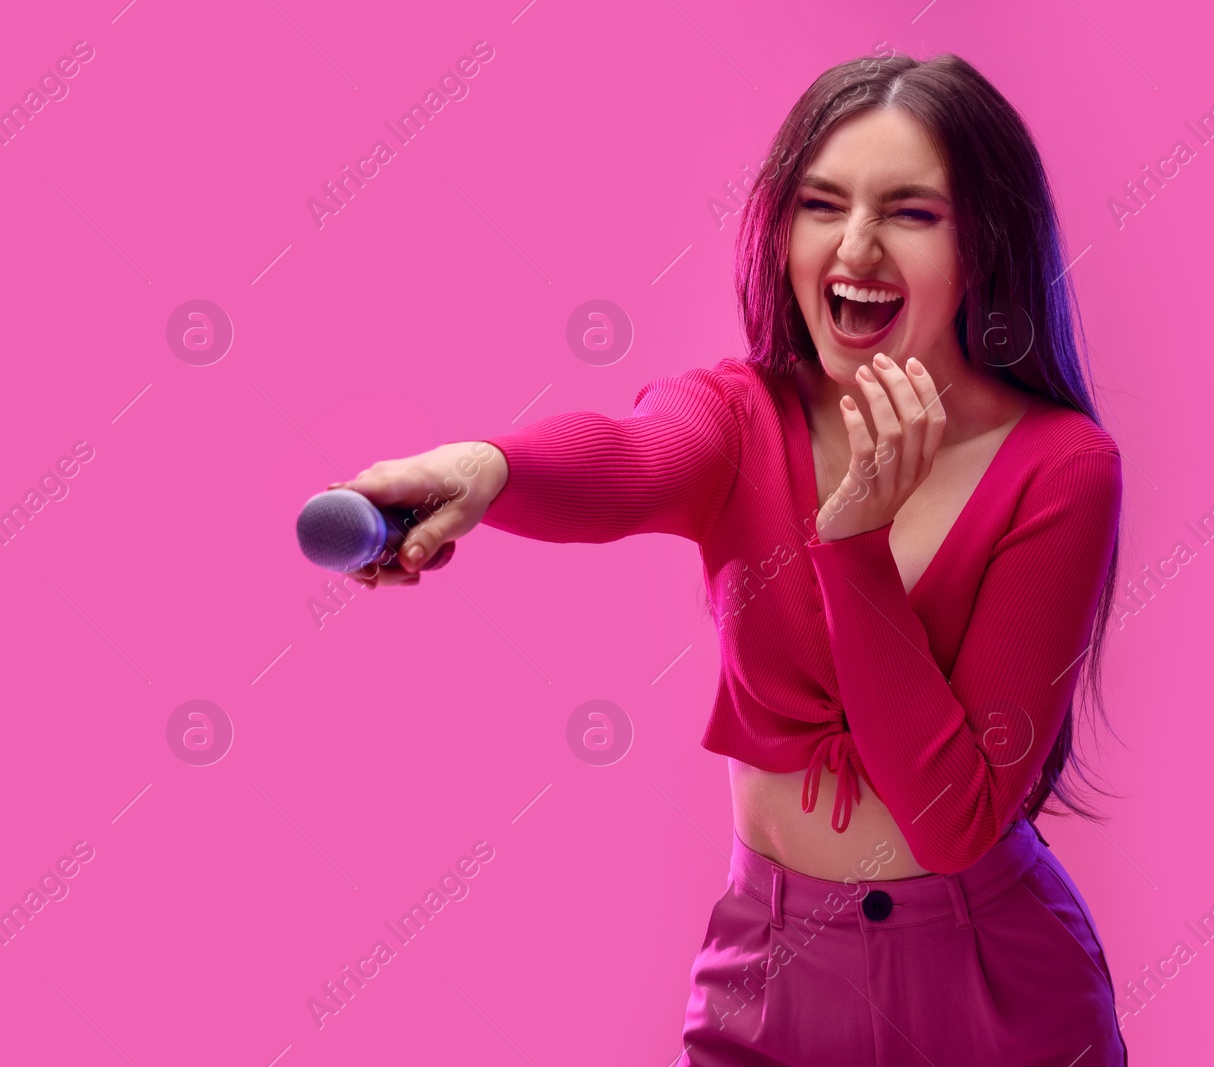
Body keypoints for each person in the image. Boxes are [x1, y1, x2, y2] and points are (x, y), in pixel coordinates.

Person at [334, 50, 1128, 1067]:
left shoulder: (1061, 469)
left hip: (991, 986)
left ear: (984, 244)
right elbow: (628, 454)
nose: (856, 247)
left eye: (911, 212)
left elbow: (954, 820)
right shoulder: (739, 416)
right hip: (770, 972)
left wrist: (852, 547)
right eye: (820, 203)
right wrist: (483, 468)